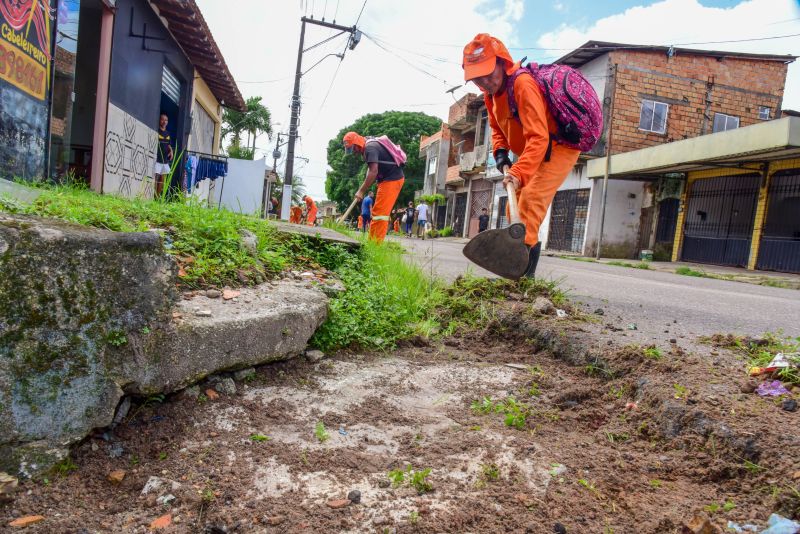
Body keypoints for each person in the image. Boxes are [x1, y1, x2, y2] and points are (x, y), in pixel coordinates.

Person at [463, 33, 580, 277]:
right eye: (477, 78)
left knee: (529, 204)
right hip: (533, 152)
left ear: (502, 62)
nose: (484, 81)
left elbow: (539, 137)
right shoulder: (490, 94)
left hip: (558, 148)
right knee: (513, 209)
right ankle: (519, 272)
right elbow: (497, 129)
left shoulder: (522, 83)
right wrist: (501, 154)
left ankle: (524, 279)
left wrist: (518, 172)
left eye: (488, 73)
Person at [342, 131, 404, 243]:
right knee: (377, 213)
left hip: (392, 180)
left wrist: (361, 191)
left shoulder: (370, 148)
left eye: (353, 149)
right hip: (385, 180)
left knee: (381, 214)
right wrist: (361, 190)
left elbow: (373, 171)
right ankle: (372, 242)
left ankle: (376, 244)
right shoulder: (367, 146)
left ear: (357, 144)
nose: (354, 152)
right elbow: (369, 170)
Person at [154, 112, 173, 198]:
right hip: (157, 159)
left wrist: (171, 151)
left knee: (162, 179)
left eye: (166, 120)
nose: (164, 121)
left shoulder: (168, 133)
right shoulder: (156, 130)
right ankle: (153, 195)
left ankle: (157, 197)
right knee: (156, 178)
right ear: (159, 120)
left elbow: (168, 144)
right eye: (162, 119)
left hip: (165, 160)